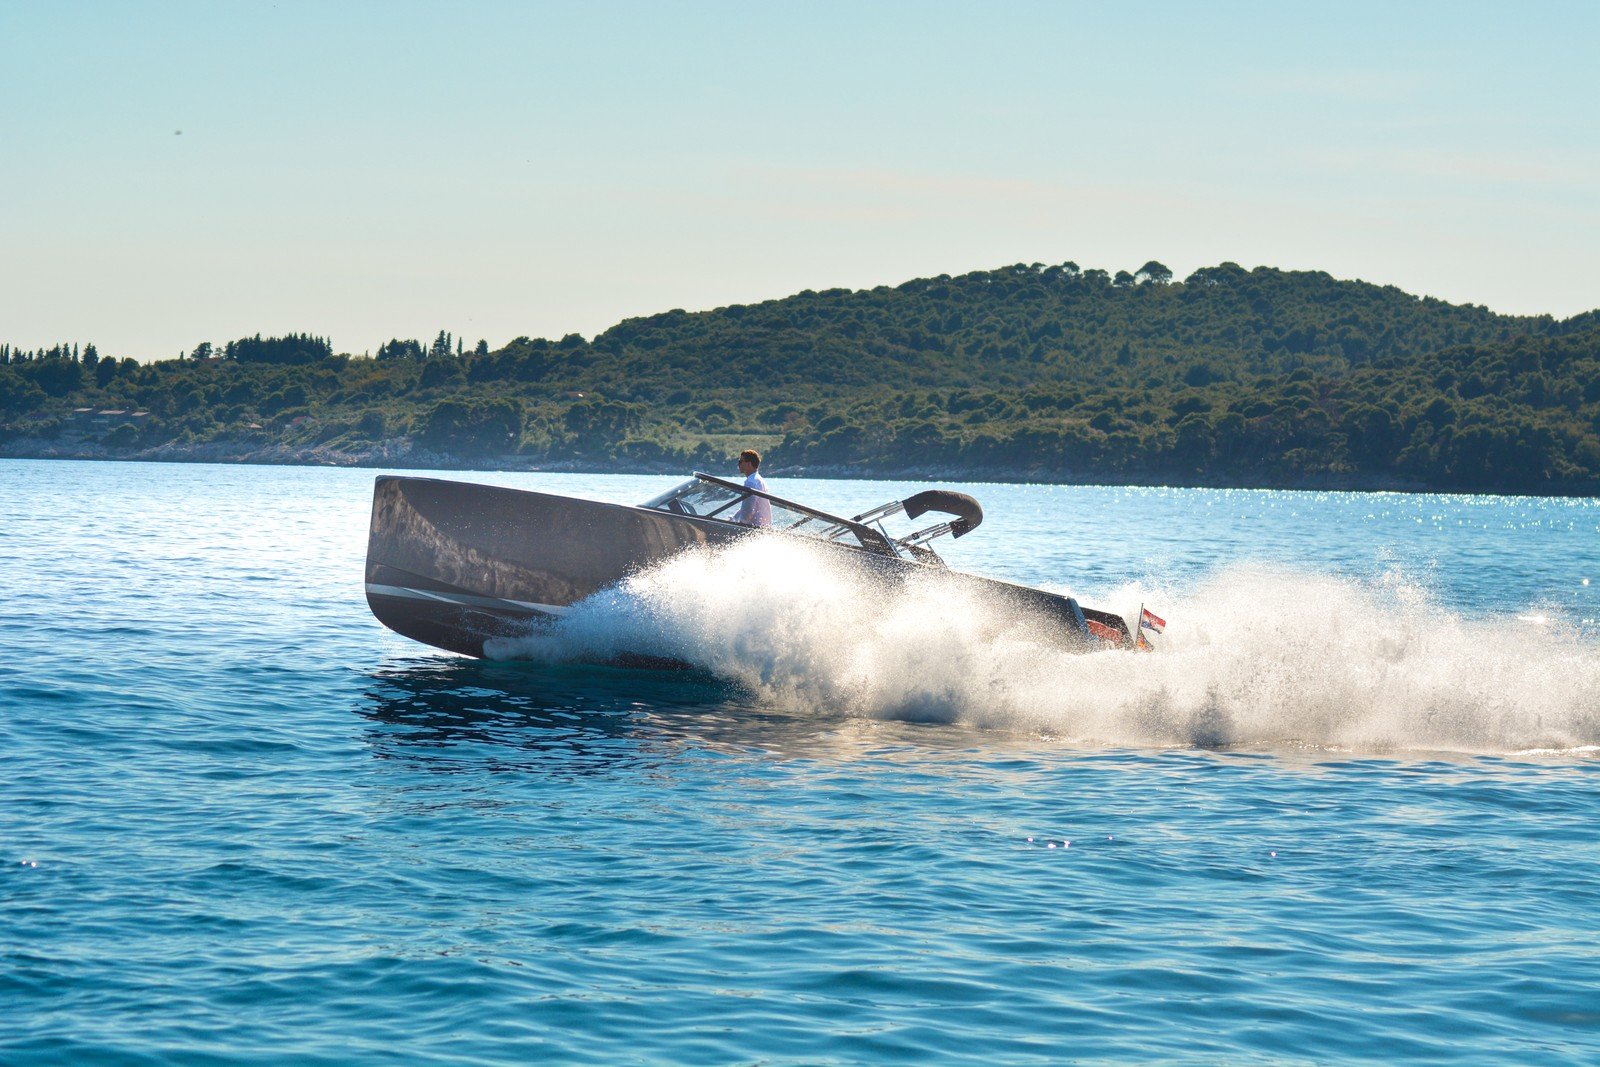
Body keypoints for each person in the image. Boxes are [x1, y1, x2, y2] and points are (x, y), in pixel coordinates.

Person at [733, 449, 772, 527]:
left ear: (749, 464)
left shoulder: (751, 482)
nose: (738, 464)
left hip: (753, 528)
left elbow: (748, 512)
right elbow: (746, 508)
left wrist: (736, 525)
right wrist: (732, 519)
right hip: (762, 528)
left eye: (740, 461)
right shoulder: (758, 480)